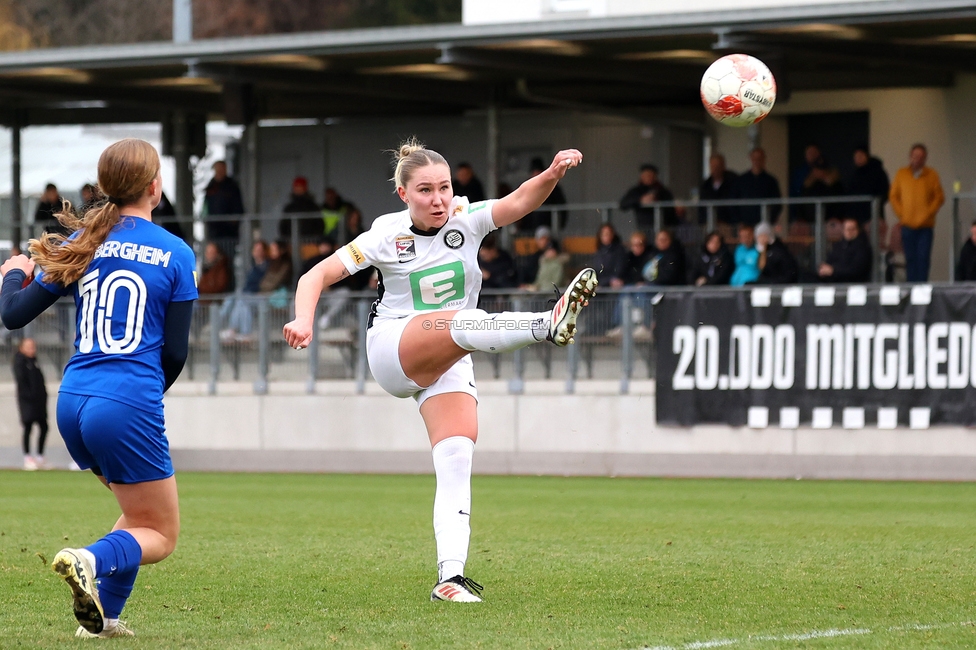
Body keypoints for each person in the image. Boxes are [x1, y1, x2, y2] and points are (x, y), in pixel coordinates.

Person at [283, 139, 596, 603]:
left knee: (456, 457)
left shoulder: (465, 219)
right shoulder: (384, 235)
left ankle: (450, 579)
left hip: (452, 348)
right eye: (425, 190)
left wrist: (552, 174)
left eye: (445, 188)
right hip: (394, 347)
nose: (438, 199)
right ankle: (545, 324)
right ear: (403, 195)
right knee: (459, 321)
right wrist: (303, 318)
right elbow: (315, 276)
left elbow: (517, 203)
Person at [0, 139, 197, 638]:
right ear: (156, 187)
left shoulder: (83, 243)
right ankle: (85, 557)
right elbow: (174, 352)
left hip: (73, 400)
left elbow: (13, 313)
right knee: (161, 532)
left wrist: (10, 276)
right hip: (125, 402)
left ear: (105, 187)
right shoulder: (175, 252)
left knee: (137, 516)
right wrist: (144, 397)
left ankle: (101, 621)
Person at [889, 143, 944, 282]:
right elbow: (893, 195)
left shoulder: (932, 175)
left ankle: (922, 289)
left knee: (923, 258)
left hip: (925, 226)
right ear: (910, 156)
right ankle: (911, 289)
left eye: (920, 156)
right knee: (910, 259)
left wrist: (929, 212)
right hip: (907, 225)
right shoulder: (902, 174)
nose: (917, 159)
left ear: (925, 158)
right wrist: (902, 214)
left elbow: (939, 197)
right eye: (915, 156)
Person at [13, 337, 48, 471]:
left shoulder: (35, 362)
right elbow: (21, 382)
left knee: (44, 427)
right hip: (27, 402)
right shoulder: (20, 362)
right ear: (22, 348)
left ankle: (40, 456)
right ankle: (27, 457)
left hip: (39, 401)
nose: (32, 349)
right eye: (28, 346)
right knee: (28, 428)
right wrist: (29, 396)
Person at [733, 148, 781, 226]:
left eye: (759, 159)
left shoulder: (771, 181)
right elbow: (734, 201)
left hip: (764, 224)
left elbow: (777, 203)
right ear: (750, 159)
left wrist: (770, 221)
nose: (757, 161)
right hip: (745, 225)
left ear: (764, 159)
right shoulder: (741, 180)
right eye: (754, 158)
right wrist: (738, 221)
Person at [619, 164, 676, 228]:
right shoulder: (636, 190)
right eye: (646, 175)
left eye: (650, 175)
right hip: (643, 227)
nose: (648, 177)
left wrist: (656, 199)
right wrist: (640, 200)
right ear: (641, 176)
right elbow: (623, 204)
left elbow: (670, 209)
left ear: (655, 176)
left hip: (662, 227)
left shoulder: (663, 190)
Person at [521, 157, 568, 233]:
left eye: (538, 172)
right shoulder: (527, 187)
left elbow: (562, 206)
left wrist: (561, 225)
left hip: (548, 226)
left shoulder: (553, 186)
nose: (536, 175)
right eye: (534, 172)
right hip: (530, 228)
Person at [818, 217, 873, 283]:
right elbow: (830, 261)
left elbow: (856, 270)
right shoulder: (838, 246)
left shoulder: (863, 248)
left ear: (858, 230)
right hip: (834, 283)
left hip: (854, 285)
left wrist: (833, 271)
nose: (849, 232)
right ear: (843, 231)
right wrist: (824, 269)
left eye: (852, 229)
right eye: (847, 229)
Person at [846, 145, 890, 225]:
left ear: (867, 156)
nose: (858, 158)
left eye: (860, 155)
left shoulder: (878, 172)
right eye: (856, 156)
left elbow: (885, 192)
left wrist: (876, 203)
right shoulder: (853, 174)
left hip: (874, 216)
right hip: (856, 218)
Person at [203, 160, 245, 241]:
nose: (219, 172)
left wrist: (234, 221)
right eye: (217, 169)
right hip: (213, 228)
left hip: (229, 229)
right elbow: (206, 205)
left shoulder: (232, 186)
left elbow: (238, 205)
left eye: (221, 169)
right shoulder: (211, 186)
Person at [698, 154, 738, 225]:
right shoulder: (705, 185)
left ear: (723, 166)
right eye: (713, 166)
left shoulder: (733, 182)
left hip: (728, 224)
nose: (715, 169)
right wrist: (702, 222)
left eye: (717, 166)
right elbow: (702, 207)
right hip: (709, 223)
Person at [592, 223, 628, 287]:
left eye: (608, 233)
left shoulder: (620, 251)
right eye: (604, 234)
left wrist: (612, 280)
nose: (607, 236)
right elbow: (597, 271)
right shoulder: (598, 252)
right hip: (601, 285)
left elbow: (619, 270)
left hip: (616, 285)